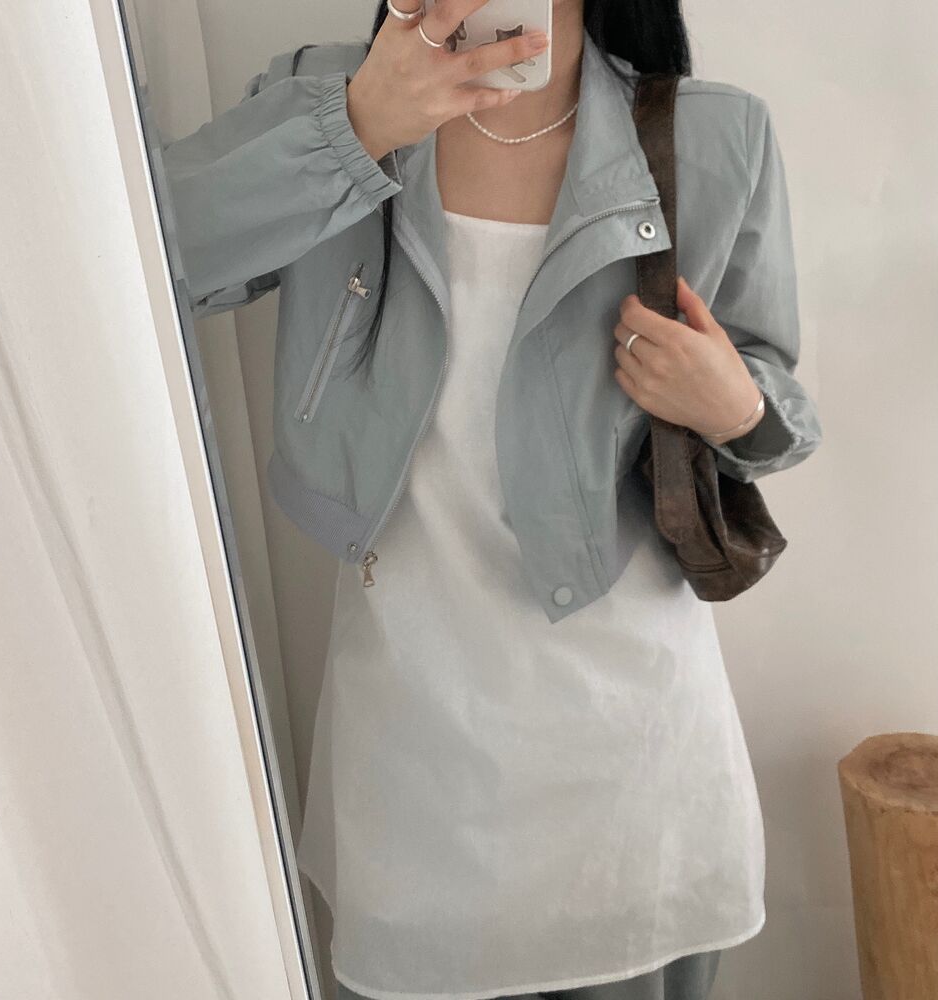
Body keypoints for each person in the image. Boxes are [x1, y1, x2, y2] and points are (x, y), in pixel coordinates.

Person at [160, 2, 823, 998]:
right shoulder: (321, 94)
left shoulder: (712, 134)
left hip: (632, 760)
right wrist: (356, 127)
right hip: (413, 759)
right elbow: (140, 254)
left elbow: (775, 398)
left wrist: (737, 405)